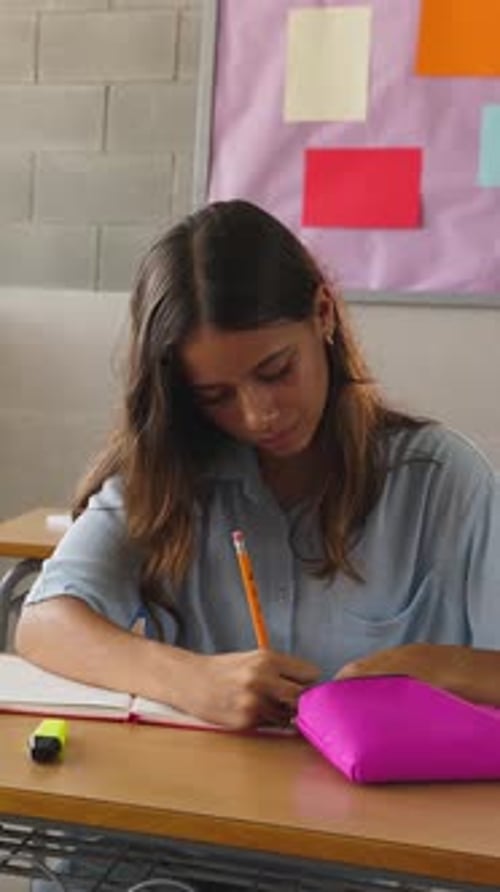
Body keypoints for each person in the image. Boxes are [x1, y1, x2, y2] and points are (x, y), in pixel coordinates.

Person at [16, 199, 500, 730]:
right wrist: (192, 680)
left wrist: (428, 666)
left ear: (323, 314)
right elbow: (43, 624)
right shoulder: (170, 474)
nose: (258, 414)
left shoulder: (443, 479)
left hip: (396, 805)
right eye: (216, 395)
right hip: (211, 799)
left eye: (275, 371)